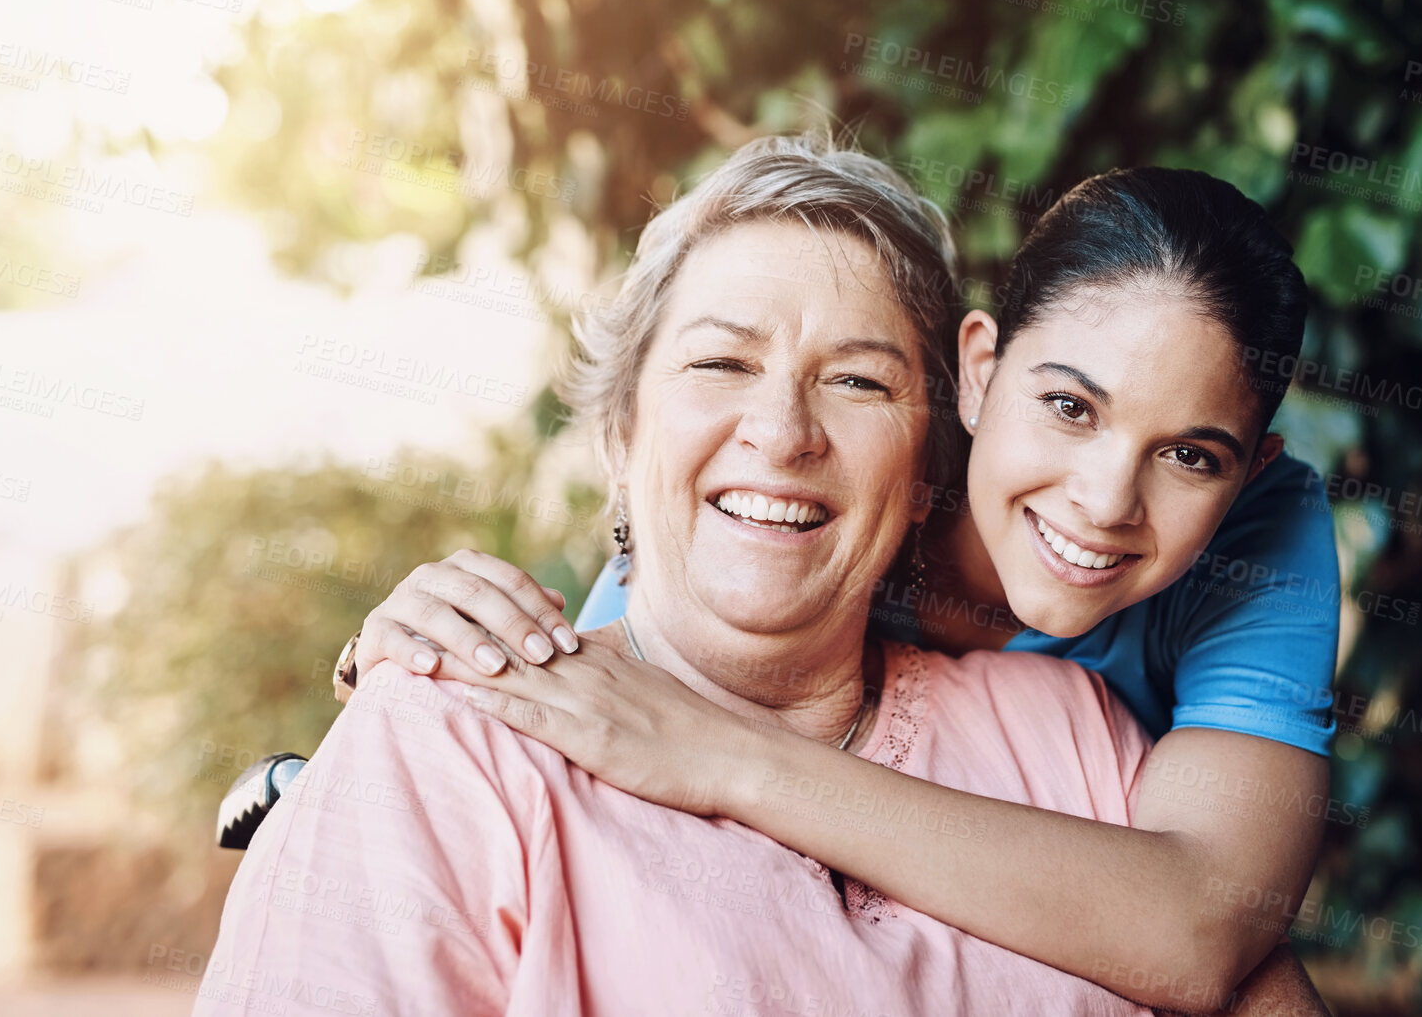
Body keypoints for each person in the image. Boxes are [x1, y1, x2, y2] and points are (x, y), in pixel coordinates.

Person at [198, 135, 1329, 1015]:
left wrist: (726, 756)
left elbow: (1203, 926)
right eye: (720, 362)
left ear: (930, 452)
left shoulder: (1089, 718)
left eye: (859, 383)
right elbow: (645, 656)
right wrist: (397, 692)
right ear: (618, 430)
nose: (782, 432)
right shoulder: (479, 735)